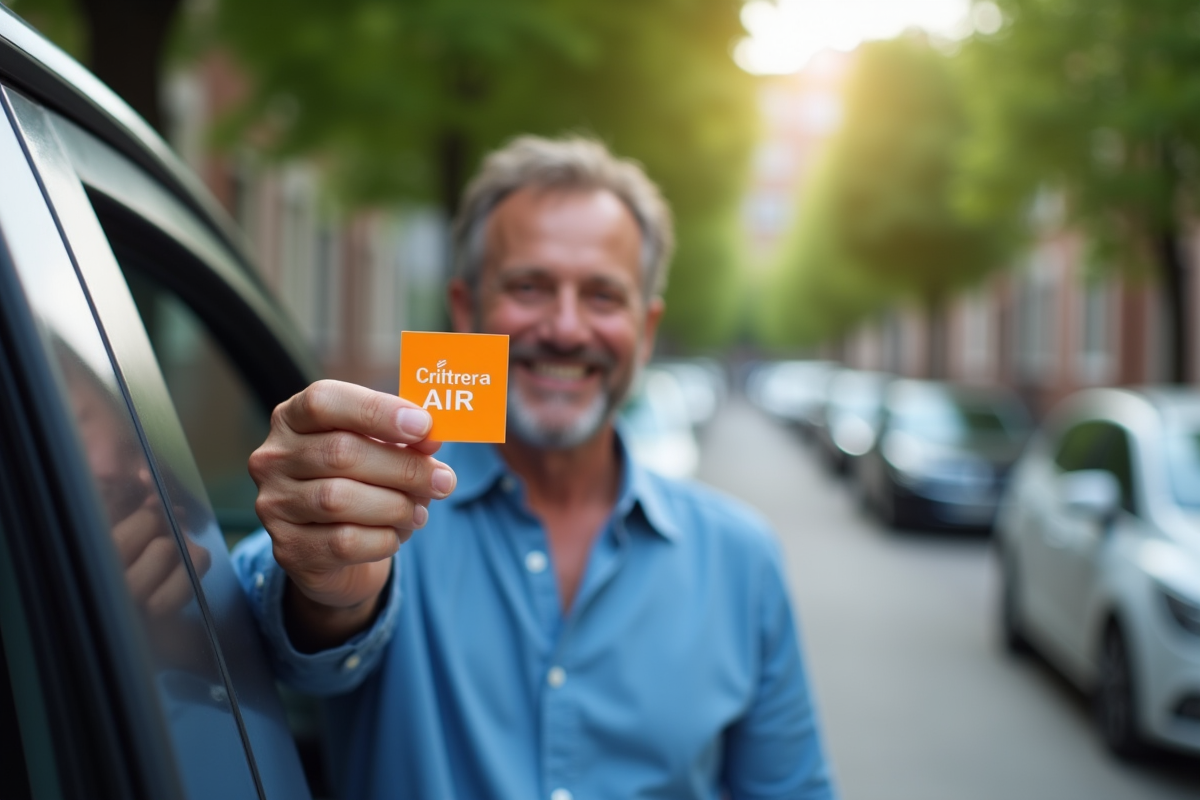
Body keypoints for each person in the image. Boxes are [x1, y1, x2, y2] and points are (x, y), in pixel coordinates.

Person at [233, 136, 836, 799]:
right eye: (530, 287)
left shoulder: (742, 561)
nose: (567, 328)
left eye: (603, 296)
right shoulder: (381, 503)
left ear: (646, 327)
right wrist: (323, 587)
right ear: (466, 312)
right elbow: (253, 614)